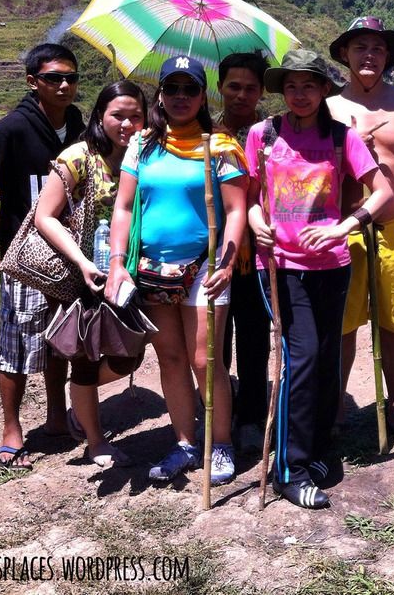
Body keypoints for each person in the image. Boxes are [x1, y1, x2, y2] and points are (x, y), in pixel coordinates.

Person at [246, 49, 392, 508]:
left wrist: (345, 226)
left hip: (332, 265)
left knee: (328, 359)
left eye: (309, 85)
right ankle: (289, 467)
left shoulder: (341, 138)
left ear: (324, 89)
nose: (300, 94)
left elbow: (383, 190)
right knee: (303, 360)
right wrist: (255, 223)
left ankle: (320, 450)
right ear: (282, 90)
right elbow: (249, 197)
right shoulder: (263, 135)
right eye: (291, 86)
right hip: (281, 267)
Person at [103, 56, 248, 486]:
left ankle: (219, 441)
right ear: (160, 96)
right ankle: (185, 441)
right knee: (169, 357)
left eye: (191, 89)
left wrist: (226, 257)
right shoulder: (142, 144)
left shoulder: (218, 147)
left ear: (204, 96)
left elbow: (237, 209)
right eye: (172, 89)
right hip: (151, 269)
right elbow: (124, 208)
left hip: (205, 267)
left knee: (205, 359)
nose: (181, 97)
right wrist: (115, 262)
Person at [0, 43, 85, 470]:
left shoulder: (78, 124)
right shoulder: (8, 130)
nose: (64, 85)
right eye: (53, 78)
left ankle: (54, 418)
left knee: (59, 339)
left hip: (67, 251)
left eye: (70, 77)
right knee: (15, 345)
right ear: (33, 82)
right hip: (22, 252)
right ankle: (12, 429)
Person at [326, 17, 394, 445]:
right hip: (343, 229)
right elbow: (317, 174)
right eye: (360, 47)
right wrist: (348, 146)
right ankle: (334, 411)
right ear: (345, 54)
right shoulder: (328, 108)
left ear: (387, 56)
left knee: (393, 326)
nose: (368, 55)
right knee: (343, 328)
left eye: (377, 49)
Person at [34, 80, 147, 467]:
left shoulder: (146, 157)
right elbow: (44, 216)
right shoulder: (79, 157)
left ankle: (78, 406)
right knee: (84, 360)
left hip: (128, 275)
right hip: (82, 276)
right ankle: (95, 440)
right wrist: (81, 262)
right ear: (100, 116)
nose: (128, 124)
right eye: (118, 115)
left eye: (136, 116)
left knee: (128, 355)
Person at [214, 52, 271, 455]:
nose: (241, 95)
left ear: (261, 92)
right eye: (234, 86)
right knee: (214, 341)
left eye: (251, 88)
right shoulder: (204, 134)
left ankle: (251, 414)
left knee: (254, 336)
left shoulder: (271, 135)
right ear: (220, 88)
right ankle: (219, 413)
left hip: (257, 257)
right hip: (210, 254)